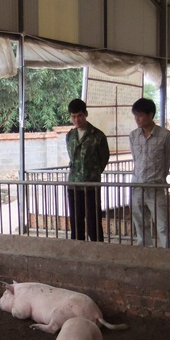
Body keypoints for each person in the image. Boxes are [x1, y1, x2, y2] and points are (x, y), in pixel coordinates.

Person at [129, 98, 170, 248]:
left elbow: (167, 160)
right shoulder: (133, 136)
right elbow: (136, 159)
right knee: (140, 225)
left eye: (140, 115)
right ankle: (145, 253)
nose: (137, 119)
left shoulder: (165, 136)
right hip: (137, 187)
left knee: (163, 225)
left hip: (156, 187)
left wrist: (158, 177)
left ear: (150, 115)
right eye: (135, 115)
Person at [65, 99, 110, 242]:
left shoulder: (97, 135)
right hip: (73, 184)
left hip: (91, 185)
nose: (76, 120)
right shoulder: (70, 136)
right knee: (76, 221)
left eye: (79, 115)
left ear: (86, 114)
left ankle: (97, 250)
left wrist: (92, 172)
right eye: (73, 116)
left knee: (93, 221)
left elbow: (104, 158)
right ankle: (77, 249)